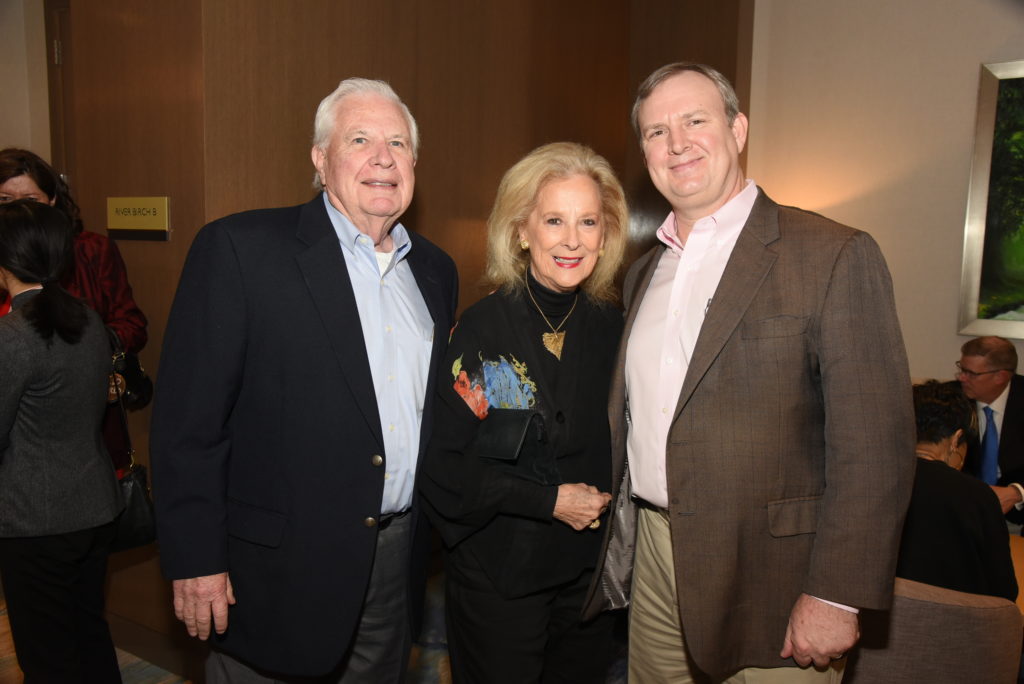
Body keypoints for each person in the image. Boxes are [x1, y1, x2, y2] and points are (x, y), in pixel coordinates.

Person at [581, 62, 916, 682]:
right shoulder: (640, 273)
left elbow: (876, 448)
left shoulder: (831, 254)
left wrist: (837, 594)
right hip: (655, 556)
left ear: (737, 129)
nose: (676, 142)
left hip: (775, 574)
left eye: (695, 121)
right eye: (656, 132)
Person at [151, 77, 458, 682]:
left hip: (396, 557)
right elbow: (189, 424)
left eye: (397, 143)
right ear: (320, 159)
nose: (382, 158)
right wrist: (195, 558)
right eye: (360, 139)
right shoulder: (240, 250)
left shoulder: (435, 271)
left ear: (414, 164)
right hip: (276, 567)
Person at [419, 142, 628, 683]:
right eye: (554, 220)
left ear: (605, 235)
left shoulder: (615, 328)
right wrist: (549, 500)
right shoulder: (486, 334)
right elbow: (447, 469)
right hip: (500, 578)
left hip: (586, 579)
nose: (572, 240)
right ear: (520, 231)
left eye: (587, 221)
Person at [0, 200, 124, 683]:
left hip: (36, 519)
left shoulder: (12, 335)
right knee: (88, 633)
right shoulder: (88, 319)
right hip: (92, 506)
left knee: (47, 655)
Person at [0, 148, 148, 353]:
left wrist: (80, 349)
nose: (18, 210)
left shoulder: (90, 250)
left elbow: (132, 326)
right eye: (5, 199)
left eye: (31, 200)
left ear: (52, 201)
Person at [896, 380, 1017, 600]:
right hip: (958, 623)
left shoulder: (877, 483)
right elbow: (1004, 590)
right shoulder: (977, 495)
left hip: (883, 622)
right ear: (956, 439)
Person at [956, 336, 1024, 524]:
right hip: (963, 512)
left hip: (1018, 514)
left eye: (971, 373)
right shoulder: (951, 400)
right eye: (962, 369)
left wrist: (1017, 491)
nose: (962, 377)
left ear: (1000, 376)